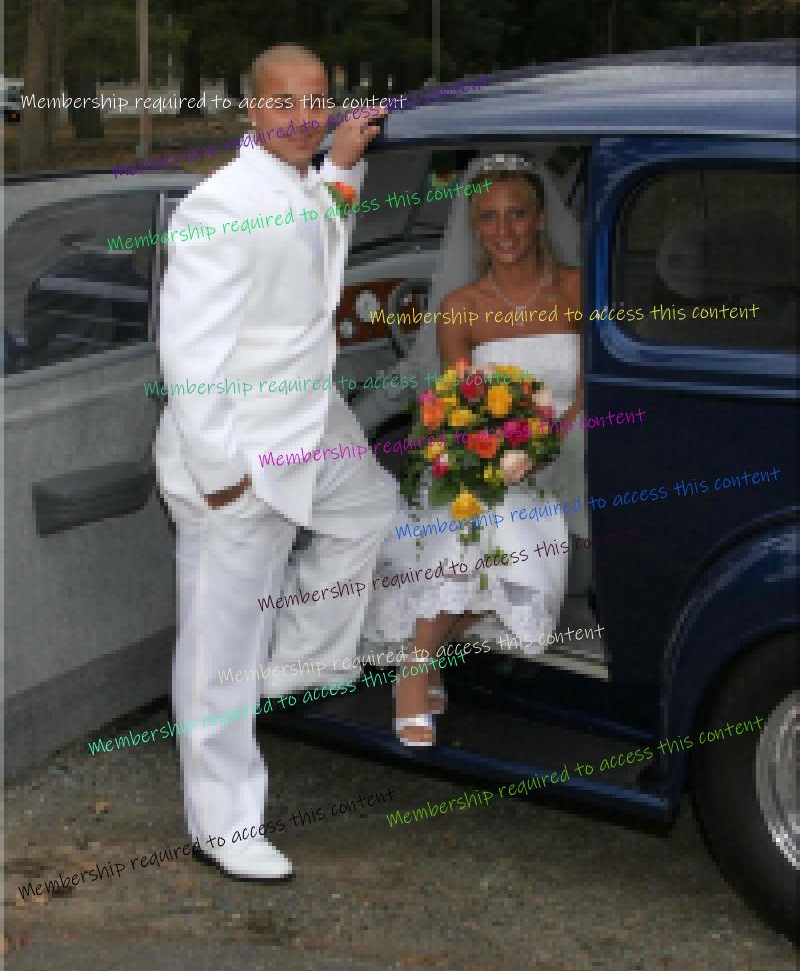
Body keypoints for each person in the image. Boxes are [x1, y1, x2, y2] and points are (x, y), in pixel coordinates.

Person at [155, 44, 398, 879]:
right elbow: (189, 359)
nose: (302, 117)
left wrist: (343, 166)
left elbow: (320, 231)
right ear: (253, 110)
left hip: (311, 425)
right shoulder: (219, 207)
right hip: (238, 453)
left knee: (371, 509)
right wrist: (224, 477)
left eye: (316, 101)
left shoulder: (302, 181)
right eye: (283, 102)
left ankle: (292, 658)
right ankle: (223, 825)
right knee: (218, 649)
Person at [362, 153, 587, 745]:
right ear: (473, 226)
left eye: (517, 214)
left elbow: (591, 385)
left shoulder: (575, 288)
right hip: (490, 456)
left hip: (573, 444)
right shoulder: (460, 307)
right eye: (489, 217)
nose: (504, 231)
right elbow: (454, 402)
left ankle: (420, 658)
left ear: (541, 217)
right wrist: (491, 455)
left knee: (497, 508)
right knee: (481, 502)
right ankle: (420, 663)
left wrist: (548, 440)